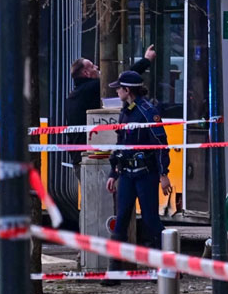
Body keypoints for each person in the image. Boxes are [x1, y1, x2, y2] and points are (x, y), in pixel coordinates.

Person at [105, 70, 172, 257]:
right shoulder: (125, 112)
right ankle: (114, 270)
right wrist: (113, 173)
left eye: (119, 88)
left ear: (127, 90)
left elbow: (161, 144)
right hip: (126, 174)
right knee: (121, 221)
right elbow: (121, 144)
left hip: (145, 174)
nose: (117, 91)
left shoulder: (148, 112)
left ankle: (168, 265)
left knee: (151, 220)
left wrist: (163, 173)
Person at [67, 46, 155, 178]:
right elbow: (125, 78)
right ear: (86, 73)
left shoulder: (74, 95)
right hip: (92, 157)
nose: (97, 67)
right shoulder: (91, 88)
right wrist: (146, 60)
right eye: (92, 66)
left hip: (78, 155)